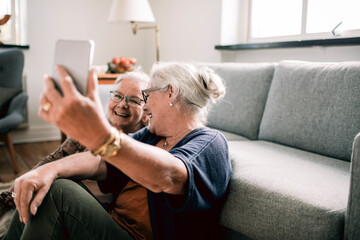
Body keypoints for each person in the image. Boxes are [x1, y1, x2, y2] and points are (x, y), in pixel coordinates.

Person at [3, 62, 232, 240]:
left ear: (170, 92)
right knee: (46, 184)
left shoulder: (209, 142)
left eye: (147, 95)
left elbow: (168, 176)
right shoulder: (153, 135)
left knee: (59, 192)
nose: (146, 105)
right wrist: (47, 170)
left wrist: (102, 136)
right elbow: (101, 161)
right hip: (112, 225)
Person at [0, 71, 150, 217]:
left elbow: (100, 163)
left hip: (76, 213)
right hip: (46, 200)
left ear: (146, 113)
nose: (123, 104)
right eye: (117, 96)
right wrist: (13, 193)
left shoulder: (139, 148)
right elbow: (51, 160)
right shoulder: (88, 130)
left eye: (134, 100)